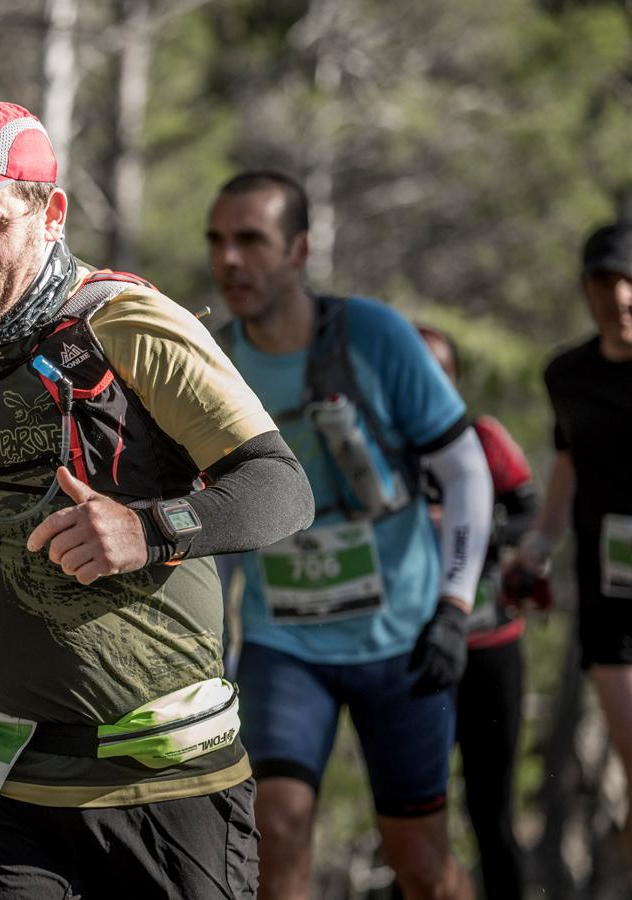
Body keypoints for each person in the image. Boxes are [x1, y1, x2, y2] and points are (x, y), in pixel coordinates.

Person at [0, 100, 314, 899]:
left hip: (163, 781)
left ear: (49, 212)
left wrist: (148, 528)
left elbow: (281, 488)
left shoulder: (127, 324)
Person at [206, 171, 494, 900]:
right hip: (285, 645)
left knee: (421, 863)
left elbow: (465, 470)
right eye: (217, 241)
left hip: (403, 640)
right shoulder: (210, 361)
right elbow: (205, 516)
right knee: (278, 827)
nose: (229, 260)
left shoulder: (375, 335)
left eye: (251, 240)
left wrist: (456, 610)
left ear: (299, 250)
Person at [505, 220, 632, 876]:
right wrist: (537, 546)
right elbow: (567, 466)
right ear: (587, 290)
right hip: (613, 593)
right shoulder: (568, 375)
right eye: (607, 282)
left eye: (631, 281)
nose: (621, 296)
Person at [418, 324, 538, 900]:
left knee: (491, 812)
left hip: (491, 649)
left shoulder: (484, 438)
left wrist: (474, 529)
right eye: (419, 369)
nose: (430, 381)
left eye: (441, 370)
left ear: (457, 379)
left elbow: (532, 513)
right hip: (415, 655)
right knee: (416, 816)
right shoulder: (386, 450)